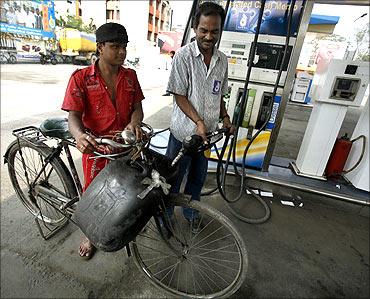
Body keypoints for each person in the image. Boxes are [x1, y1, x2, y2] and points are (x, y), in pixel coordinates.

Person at [61, 23, 144, 259]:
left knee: (127, 189)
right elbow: (73, 116)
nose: (121, 52)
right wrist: (79, 136)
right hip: (97, 148)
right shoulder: (81, 78)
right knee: (95, 195)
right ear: (100, 47)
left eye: (124, 47)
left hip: (126, 145)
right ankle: (90, 234)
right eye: (115, 47)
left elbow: (137, 108)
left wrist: (134, 123)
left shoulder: (130, 76)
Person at [165, 2, 233, 230]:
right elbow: (179, 96)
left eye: (214, 31)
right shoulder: (183, 56)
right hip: (184, 134)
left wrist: (225, 117)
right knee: (172, 179)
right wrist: (199, 122)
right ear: (195, 28)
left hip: (207, 137)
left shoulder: (222, 60)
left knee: (197, 177)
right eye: (204, 30)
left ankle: (192, 212)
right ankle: (166, 214)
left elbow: (218, 94)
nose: (209, 36)